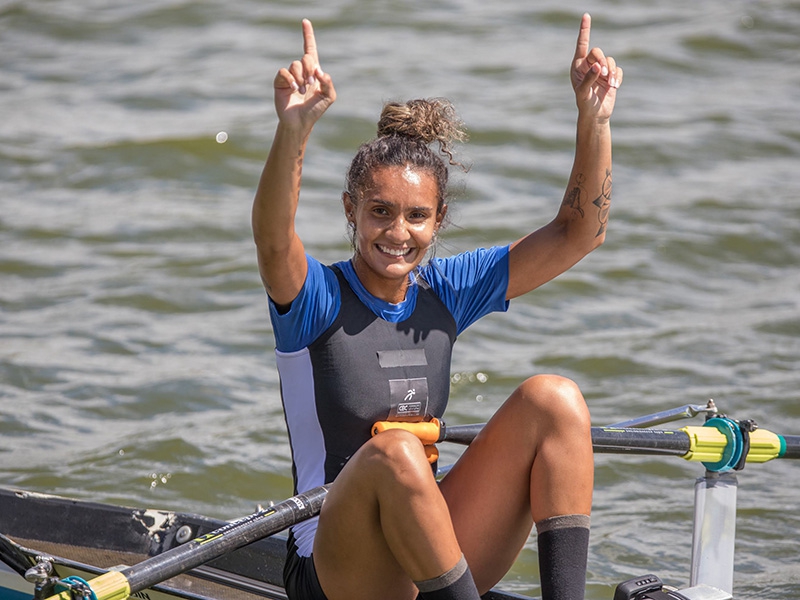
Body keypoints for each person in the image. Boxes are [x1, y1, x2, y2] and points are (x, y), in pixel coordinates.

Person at [252, 13, 621, 600]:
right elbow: (273, 242)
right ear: (351, 210)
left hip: (428, 552)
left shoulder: (445, 291)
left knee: (554, 399)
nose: (397, 233)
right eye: (379, 212)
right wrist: (293, 132)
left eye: (417, 216)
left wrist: (594, 119)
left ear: (438, 220)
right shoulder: (316, 298)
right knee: (397, 449)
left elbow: (579, 232)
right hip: (333, 568)